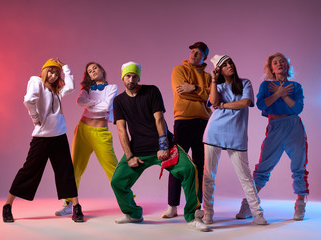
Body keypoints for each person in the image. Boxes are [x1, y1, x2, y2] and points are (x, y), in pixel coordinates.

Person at [110, 61, 210, 232]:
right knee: (117, 181)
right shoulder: (119, 101)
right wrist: (129, 156)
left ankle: (193, 216)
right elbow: (121, 130)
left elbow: (159, 119)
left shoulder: (151, 91)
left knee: (189, 169)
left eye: (134, 76)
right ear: (123, 78)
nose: (131, 79)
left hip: (164, 147)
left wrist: (163, 146)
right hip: (138, 151)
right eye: (128, 76)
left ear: (138, 77)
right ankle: (133, 213)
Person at [2, 58, 84, 223]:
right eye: (51, 71)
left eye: (56, 73)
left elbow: (72, 86)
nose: (53, 75)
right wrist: (35, 117)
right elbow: (29, 100)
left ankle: (76, 206)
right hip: (41, 138)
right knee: (28, 171)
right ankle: (7, 205)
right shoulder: (36, 81)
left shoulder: (57, 90)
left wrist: (65, 67)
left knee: (66, 171)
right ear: (44, 70)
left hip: (59, 136)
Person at [236, 52, 309, 221]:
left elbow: (298, 109)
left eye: (282, 61)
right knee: (262, 168)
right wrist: (278, 93)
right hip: (275, 127)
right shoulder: (266, 86)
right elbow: (261, 105)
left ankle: (300, 205)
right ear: (271, 68)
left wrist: (284, 94)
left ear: (287, 66)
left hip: (294, 127)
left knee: (299, 167)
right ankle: (249, 204)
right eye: (275, 62)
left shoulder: (296, 86)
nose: (279, 64)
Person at [202, 55, 267, 225]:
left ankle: (257, 214)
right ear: (219, 70)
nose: (229, 65)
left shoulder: (245, 83)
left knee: (245, 177)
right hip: (214, 132)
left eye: (230, 62)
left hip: (236, 135)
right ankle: (208, 212)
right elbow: (213, 101)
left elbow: (245, 102)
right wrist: (214, 80)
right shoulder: (218, 85)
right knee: (209, 175)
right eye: (224, 65)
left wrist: (223, 106)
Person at [55, 62, 118, 216]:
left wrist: (91, 104)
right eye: (89, 71)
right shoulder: (86, 90)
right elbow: (79, 102)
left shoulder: (112, 88)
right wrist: (97, 103)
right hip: (83, 130)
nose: (93, 71)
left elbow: (106, 106)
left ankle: (128, 201)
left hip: (100, 132)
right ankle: (69, 203)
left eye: (95, 68)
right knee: (75, 167)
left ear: (102, 69)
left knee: (113, 168)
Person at [162, 42, 212, 218]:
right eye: (192, 51)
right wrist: (202, 93)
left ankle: (197, 205)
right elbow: (181, 92)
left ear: (204, 57)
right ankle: (172, 205)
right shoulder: (179, 70)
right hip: (183, 121)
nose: (194, 55)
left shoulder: (208, 76)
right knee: (176, 163)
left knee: (200, 165)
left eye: (199, 53)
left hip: (204, 123)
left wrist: (195, 88)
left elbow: (212, 98)